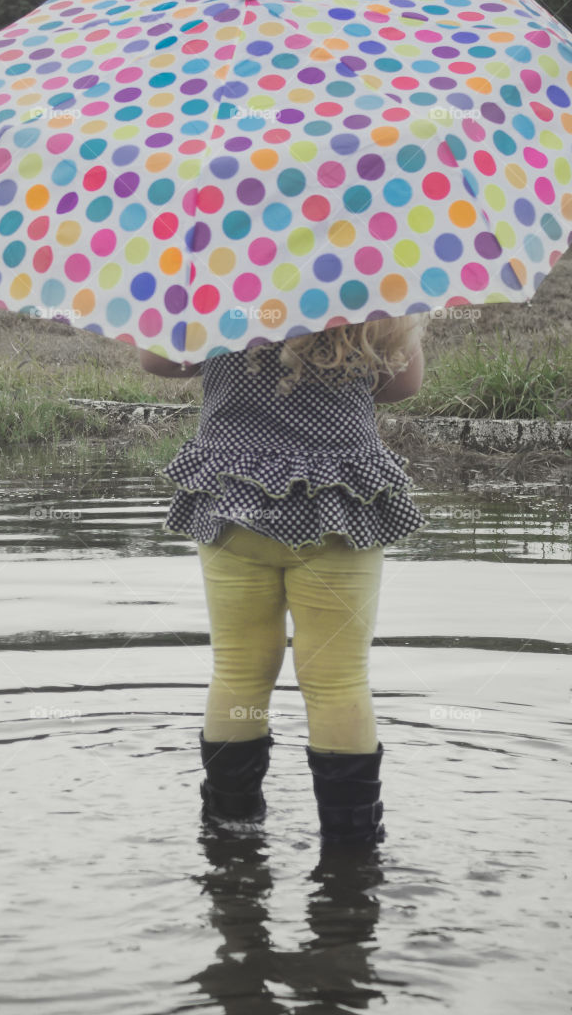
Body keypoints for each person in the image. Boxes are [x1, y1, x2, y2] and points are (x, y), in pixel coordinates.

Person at [137, 313, 429, 848]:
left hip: (235, 502)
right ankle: (350, 846)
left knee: (238, 671)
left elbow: (157, 360)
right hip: (338, 506)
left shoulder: (222, 273)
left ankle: (231, 829)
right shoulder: (371, 275)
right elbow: (404, 385)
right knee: (337, 681)